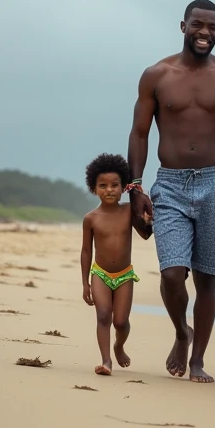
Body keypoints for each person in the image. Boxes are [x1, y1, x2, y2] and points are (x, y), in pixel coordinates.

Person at [127, 0, 215, 384]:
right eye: (198, 25)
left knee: (206, 278)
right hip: (169, 183)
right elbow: (139, 133)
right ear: (183, 25)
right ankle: (182, 331)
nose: (205, 33)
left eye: (213, 27)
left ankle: (197, 357)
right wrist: (135, 188)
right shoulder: (156, 75)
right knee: (172, 274)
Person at [81, 153, 152, 376]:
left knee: (120, 322)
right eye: (102, 185)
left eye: (114, 185)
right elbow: (85, 251)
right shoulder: (91, 218)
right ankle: (106, 361)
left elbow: (146, 235)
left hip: (124, 275)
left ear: (123, 187)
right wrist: (85, 284)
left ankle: (119, 346)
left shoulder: (129, 211)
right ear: (94, 188)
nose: (109, 190)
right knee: (103, 316)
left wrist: (148, 222)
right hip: (100, 273)